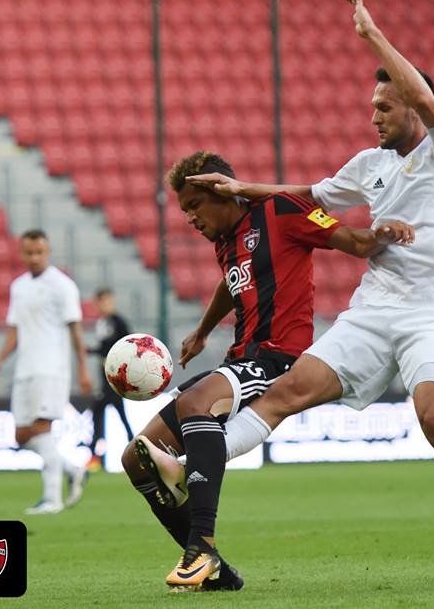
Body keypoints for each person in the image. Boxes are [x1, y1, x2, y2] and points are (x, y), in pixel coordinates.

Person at [148, 0, 434, 592]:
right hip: (372, 311)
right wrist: (240, 191)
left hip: (433, 312)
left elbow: (419, 91)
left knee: (432, 413)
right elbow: (303, 201)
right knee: (285, 393)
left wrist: (369, 33)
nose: (374, 117)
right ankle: (188, 469)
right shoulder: (370, 165)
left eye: (384, 107)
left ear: (416, 108)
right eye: (373, 108)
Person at [120, 150, 414, 591]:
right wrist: (202, 330)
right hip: (241, 359)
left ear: (220, 189)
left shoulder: (279, 211)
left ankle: (200, 547)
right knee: (135, 458)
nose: (190, 220)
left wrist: (381, 235)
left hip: (279, 359)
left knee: (200, 404)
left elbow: (351, 242)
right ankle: (214, 568)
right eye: (184, 212)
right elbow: (229, 281)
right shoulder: (225, 243)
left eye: (193, 206)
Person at [0, 229, 93, 514]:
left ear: (47, 253)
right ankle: (74, 469)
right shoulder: (18, 286)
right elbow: (15, 330)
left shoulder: (62, 286)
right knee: (21, 436)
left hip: (51, 368)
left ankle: (52, 499)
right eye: (29, 253)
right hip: (25, 369)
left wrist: (83, 369)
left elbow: (75, 330)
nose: (34, 257)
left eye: (39, 252)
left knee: (41, 429)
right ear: (21, 253)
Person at [87, 288, 134, 471]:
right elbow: (104, 347)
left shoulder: (118, 322)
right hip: (104, 377)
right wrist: (92, 351)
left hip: (114, 378)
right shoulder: (102, 323)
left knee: (98, 411)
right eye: (101, 302)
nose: (104, 305)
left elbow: (127, 344)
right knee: (119, 416)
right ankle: (137, 449)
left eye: (107, 301)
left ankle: (94, 456)